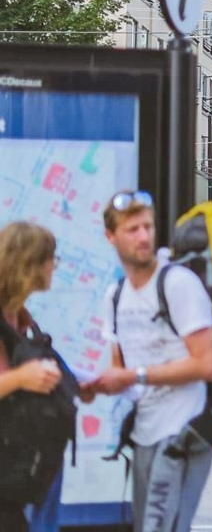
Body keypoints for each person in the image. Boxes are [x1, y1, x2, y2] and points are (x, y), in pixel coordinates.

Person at [81, 191, 212, 532]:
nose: (143, 236)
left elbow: (206, 364)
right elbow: (122, 373)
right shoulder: (114, 297)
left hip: (183, 430)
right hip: (145, 433)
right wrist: (96, 387)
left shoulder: (177, 284)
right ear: (110, 237)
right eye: (132, 229)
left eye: (147, 227)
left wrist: (135, 376)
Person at [0, 222, 65, 532]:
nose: (55, 266)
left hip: (25, 455)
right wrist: (23, 377)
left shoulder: (19, 314)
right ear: (31, 263)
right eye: (51, 258)